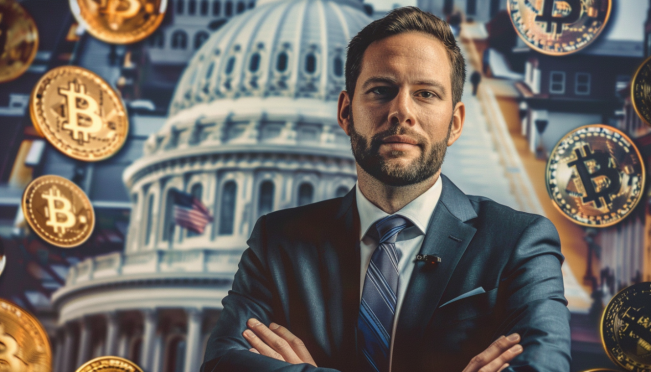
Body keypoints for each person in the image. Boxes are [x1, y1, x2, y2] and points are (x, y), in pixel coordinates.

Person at [201, 7, 571, 372]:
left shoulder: (519, 243)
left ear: (455, 123)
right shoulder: (278, 241)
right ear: (346, 112)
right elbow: (222, 364)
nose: (401, 111)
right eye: (381, 90)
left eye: (426, 94)